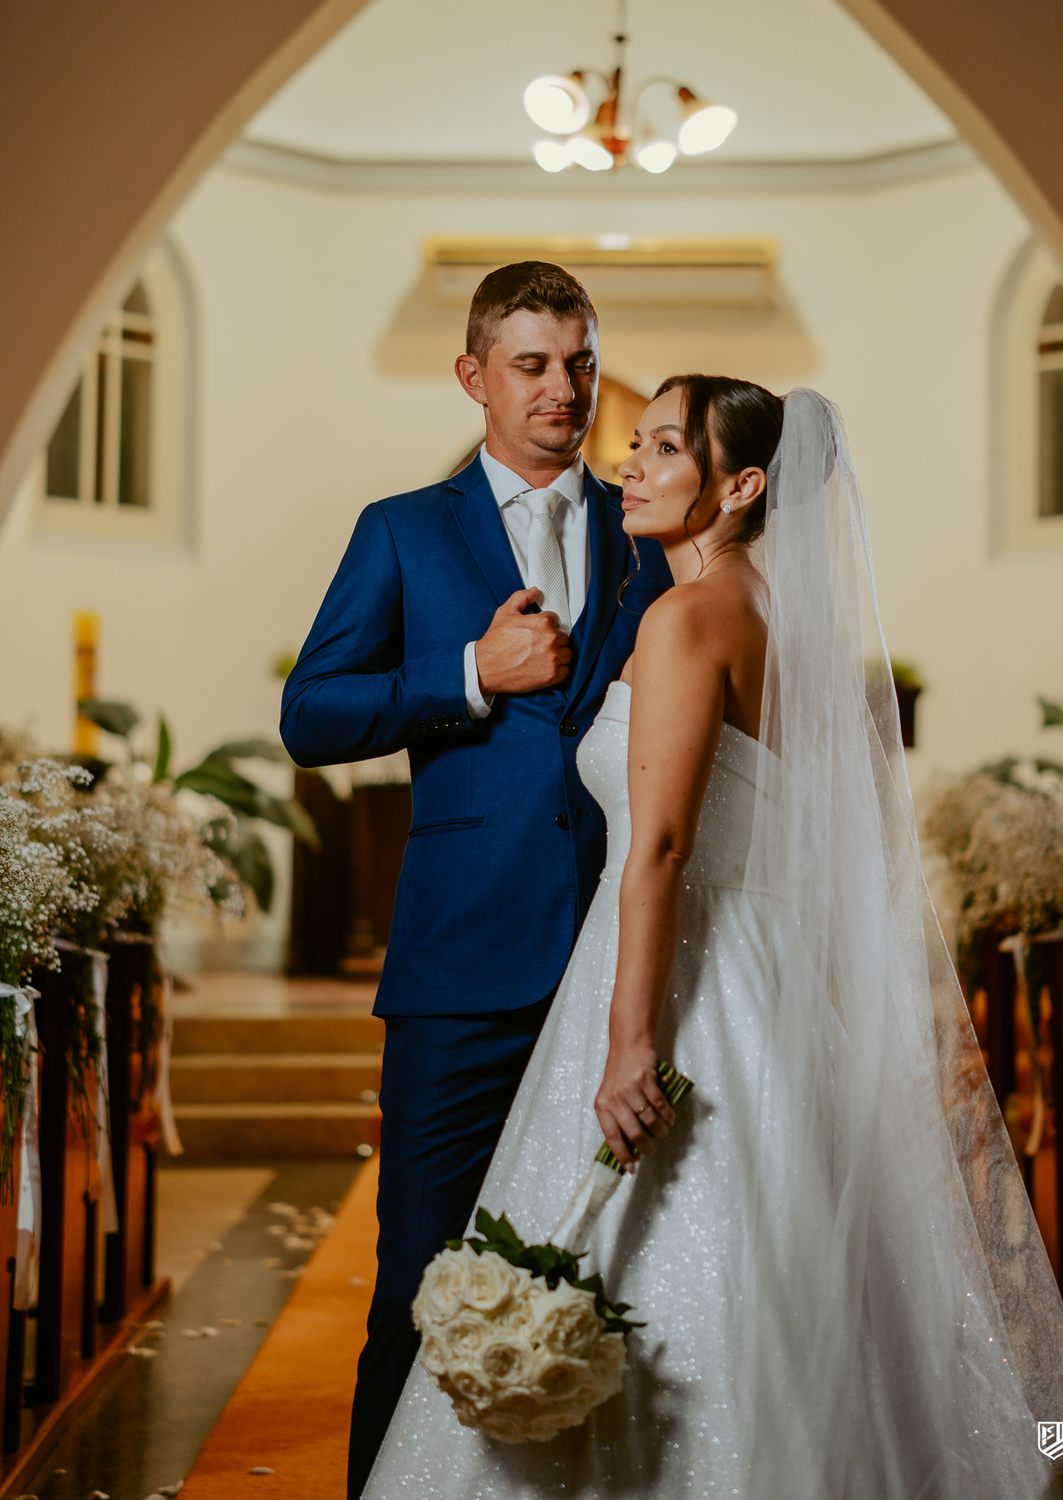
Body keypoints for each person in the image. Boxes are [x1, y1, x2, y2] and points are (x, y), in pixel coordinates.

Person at [362, 378, 1063, 1499]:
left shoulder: (685, 622)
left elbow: (660, 851)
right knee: (788, 1270)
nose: (632, 461)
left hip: (679, 988)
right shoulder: (774, 617)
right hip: (766, 989)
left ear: (741, 483)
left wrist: (629, 1045)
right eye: (639, 441)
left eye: (666, 446)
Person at [279, 261, 673, 1500]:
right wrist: (466, 674)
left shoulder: (645, 528)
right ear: (474, 377)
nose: (565, 390)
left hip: (615, 970)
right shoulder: (402, 529)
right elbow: (311, 712)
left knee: (611, 1274)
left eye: (581, 363)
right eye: (534, 364)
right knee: (419, 1283)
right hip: (458, 973)